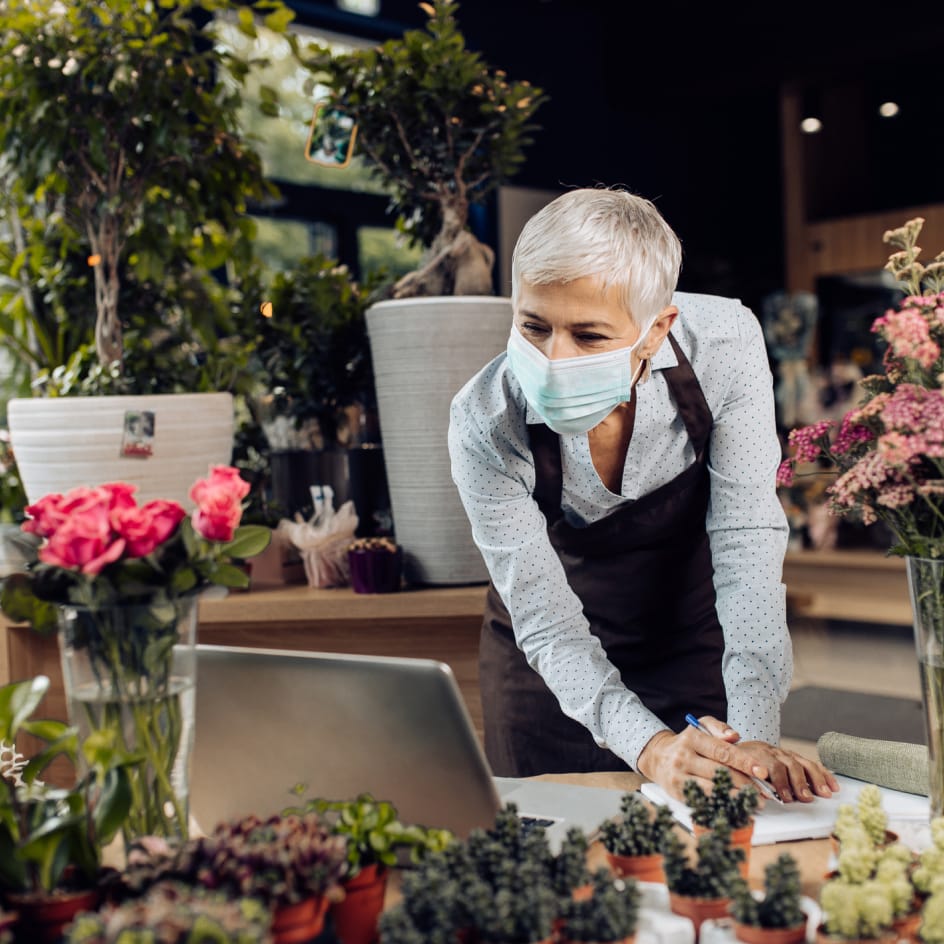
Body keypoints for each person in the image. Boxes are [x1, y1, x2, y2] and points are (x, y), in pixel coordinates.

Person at [447, 187, 839, 804]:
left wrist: (755, 736)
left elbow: (747, 543)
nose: (553, 359)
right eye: (534, 325)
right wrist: (651, 747)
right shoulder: (482, 421)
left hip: (689, 638)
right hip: (551, 671)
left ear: (656, 330)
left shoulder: (725, 347)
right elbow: (547, 625)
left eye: (590, 336)